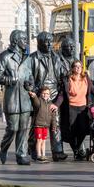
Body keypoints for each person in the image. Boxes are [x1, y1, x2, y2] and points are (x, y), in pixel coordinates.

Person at [0, 30, 33, 165]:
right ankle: (4, 147)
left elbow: (30, 76)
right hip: (12, 99)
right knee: (12, 128)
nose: (26, 42)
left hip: (25, 98)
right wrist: (10, 80)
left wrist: (30, 83)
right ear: (16, 41)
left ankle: (21, 155)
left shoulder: (27, 58)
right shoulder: (5, 56)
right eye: (24, 39)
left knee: (23, 128)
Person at [55, 60, 94, 160]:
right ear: (72, 68)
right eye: (76, 66)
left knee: (83, 130)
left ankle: (77, 148)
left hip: (83, 108)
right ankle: (76, 150)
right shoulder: (67, 79)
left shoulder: (86, 78)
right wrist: (56, 105)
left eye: (80, 66)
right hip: (71, 108)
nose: (78, 68)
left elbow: (93, 89)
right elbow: (61, 94)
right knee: (72, 131)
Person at [28, 32, 68, 162]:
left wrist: (60, 96)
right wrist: (34, 93)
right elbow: (29, 78)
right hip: (40, 95)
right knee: (38, 124)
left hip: (54, 94)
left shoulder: (57, 58)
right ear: (39, 43)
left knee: (55, 123)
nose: (50, 44)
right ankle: (34, 149)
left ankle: (57, 151)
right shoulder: (32, 58)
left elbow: (63, 76)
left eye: (51, 41)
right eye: (46, 41)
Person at [28, 86, 56, 163]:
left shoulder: (51, 104)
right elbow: (35, 102)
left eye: (47, 93)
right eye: (43, 93)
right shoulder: (39, 101)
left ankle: (43, 154)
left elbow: (53, 116)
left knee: (43, 141)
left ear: (49, 95)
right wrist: (34, 96)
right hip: (38, 125)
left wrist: (53, 125)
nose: (45, 95)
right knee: (39, 140)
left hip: (46, 125)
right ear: (40, 94)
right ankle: (39, 155)